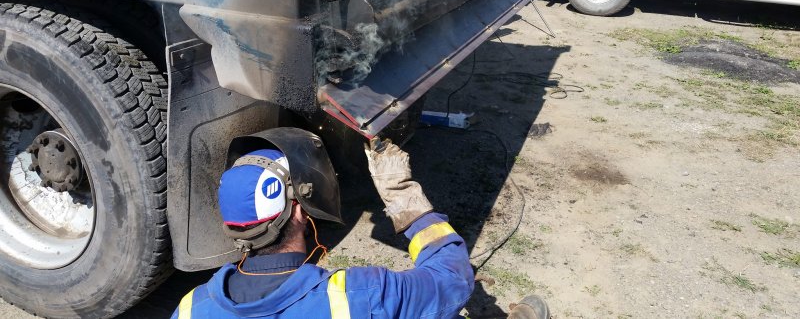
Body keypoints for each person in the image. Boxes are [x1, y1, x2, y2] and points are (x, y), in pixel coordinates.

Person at [172, 127, 549, 319]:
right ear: (299, 213)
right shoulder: (358, 296)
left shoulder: (190, 308)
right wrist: (403, 195)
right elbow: (452, 279)